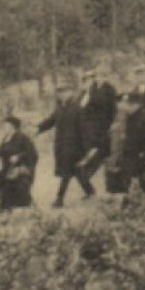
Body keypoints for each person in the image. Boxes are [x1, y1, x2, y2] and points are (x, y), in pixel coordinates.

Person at [38, 79, 94, 207]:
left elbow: (84, 130)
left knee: (66, 173)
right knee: (77, 172)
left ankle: (59, 199)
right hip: (62, 146)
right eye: (59, 92)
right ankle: (90, 191)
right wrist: (38, 128)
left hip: (74, 147)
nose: (61, 94)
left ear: (70, 93)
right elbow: (50, 121)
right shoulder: (59, 109)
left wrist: (86, 149)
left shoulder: (77, 109)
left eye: (64, 92)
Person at [0, 114, 39, 211]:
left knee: (14, 182)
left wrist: (19, 157)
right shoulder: (6, 138)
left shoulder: (22, 138)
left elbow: (33, 153)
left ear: (12, 126)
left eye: (6, 125)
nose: (4, 127)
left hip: (21, 168)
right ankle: (5, 206)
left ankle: (24, 206)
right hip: (7, 168)